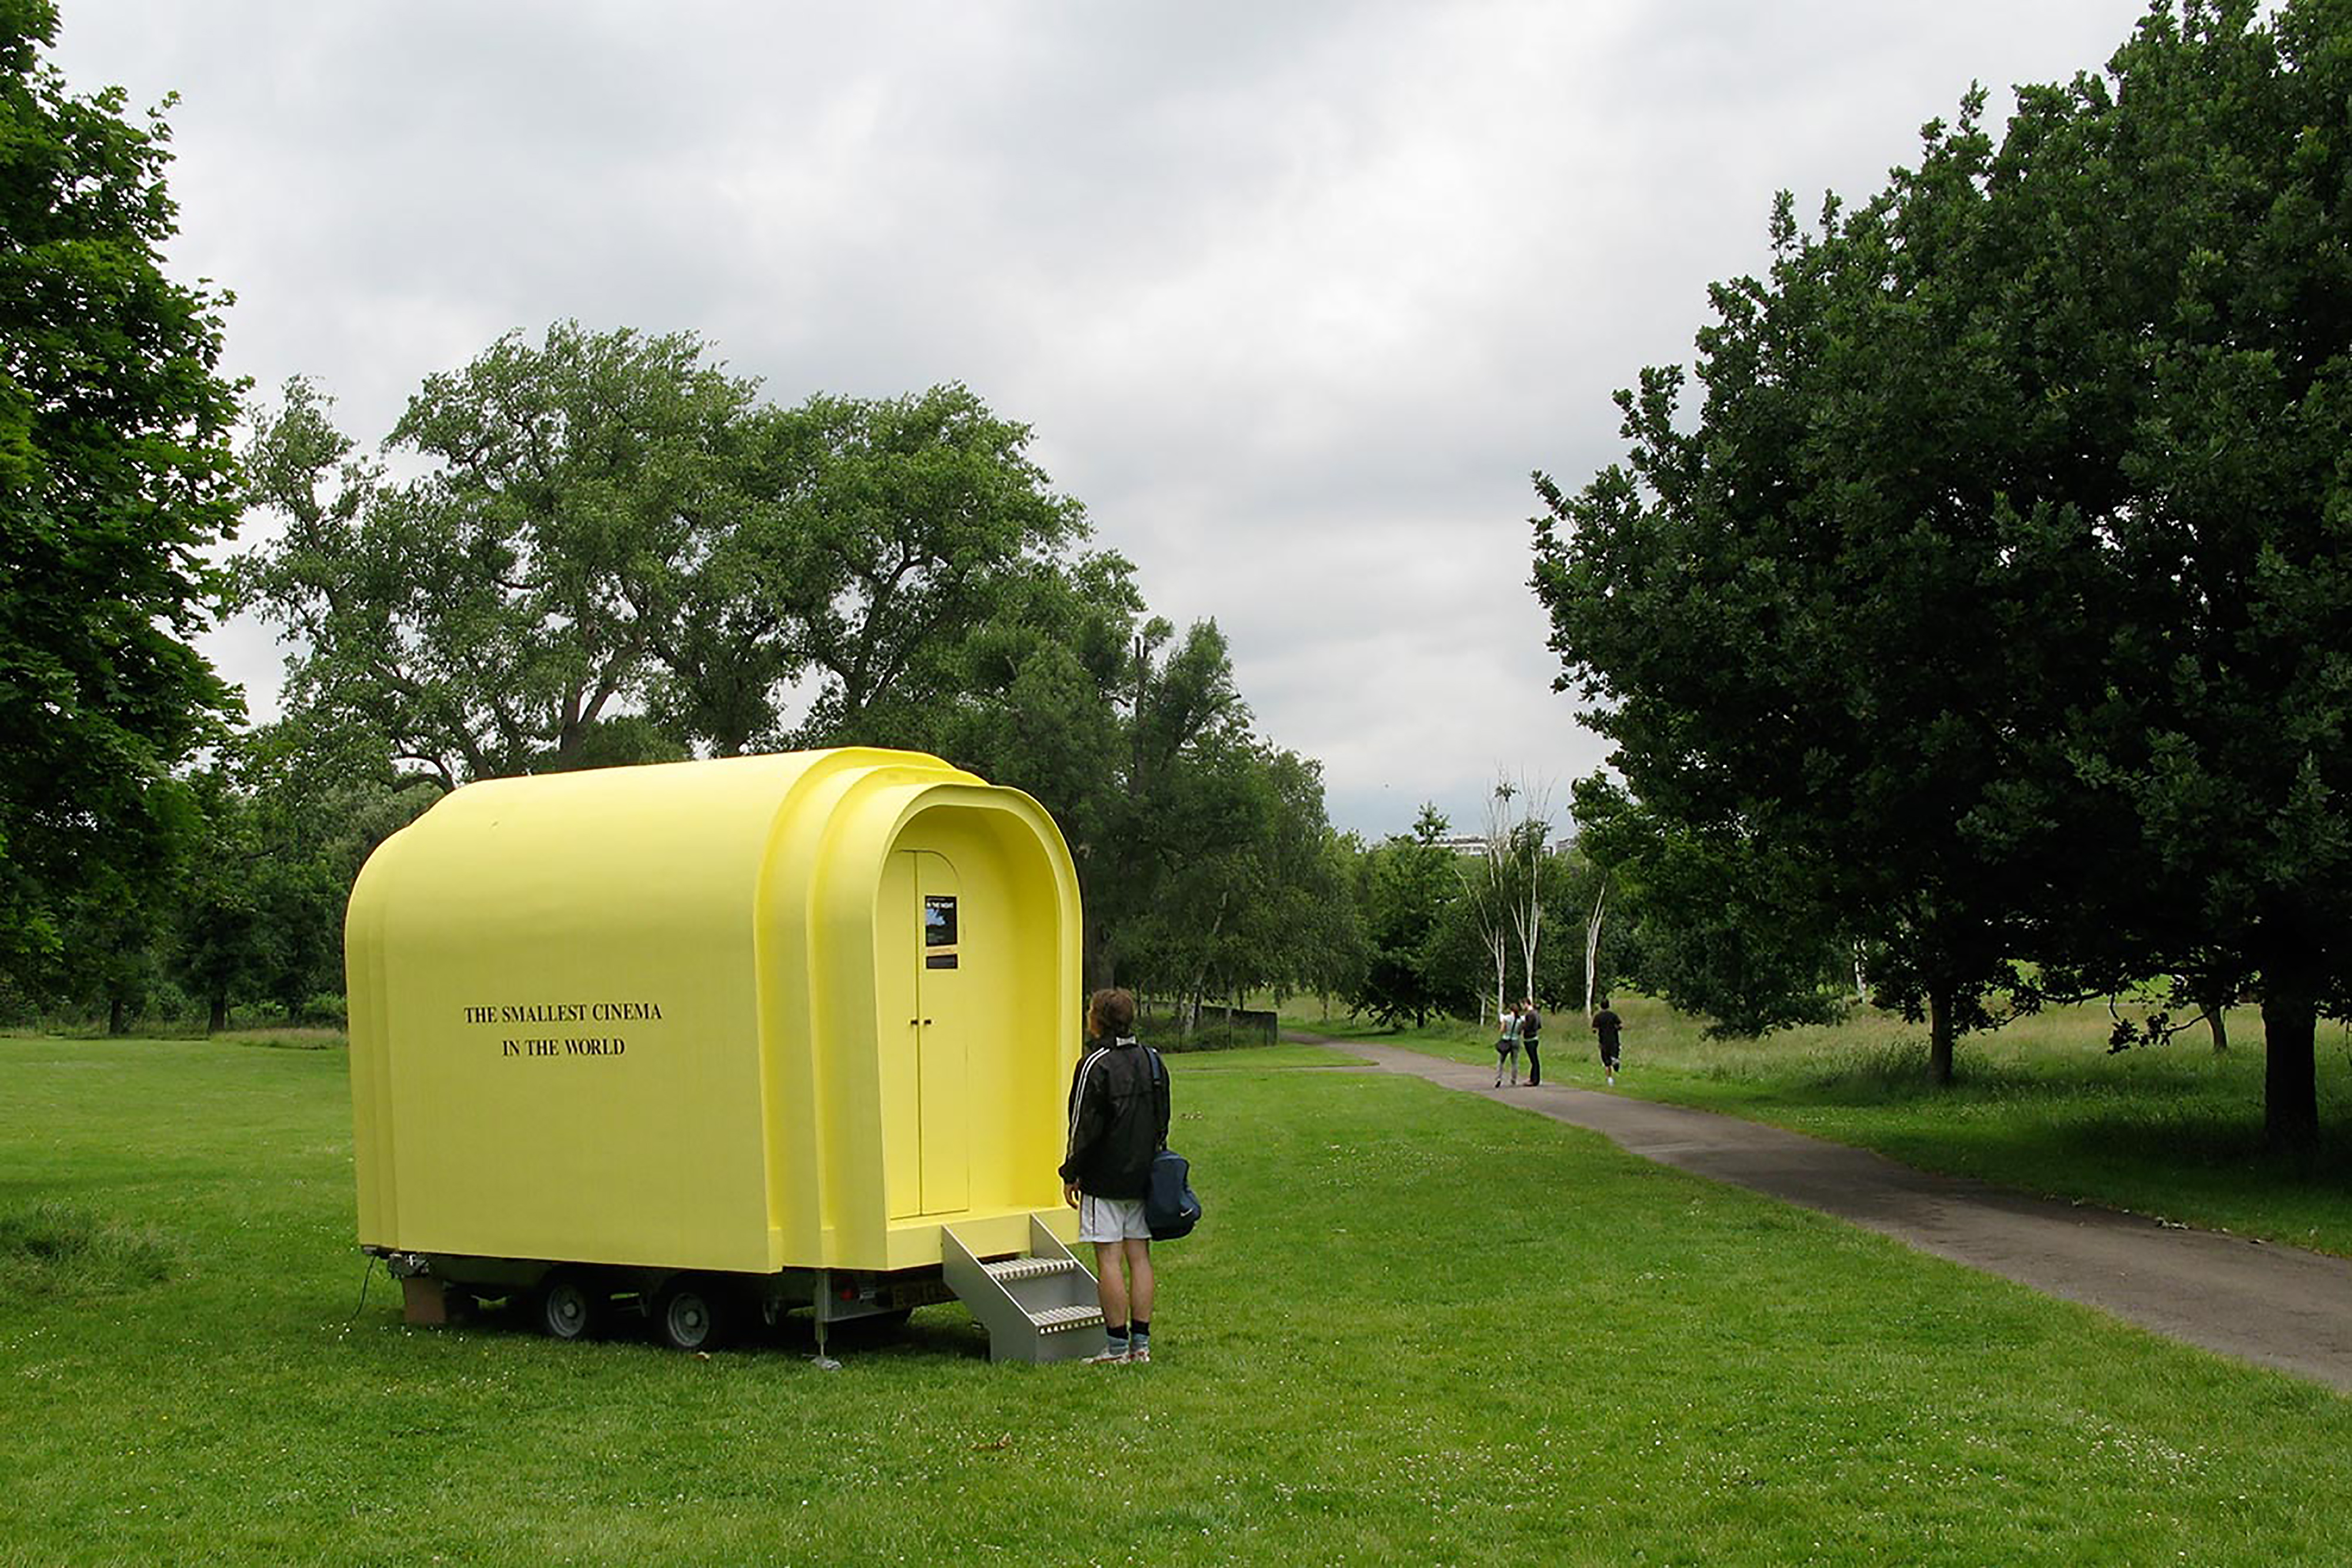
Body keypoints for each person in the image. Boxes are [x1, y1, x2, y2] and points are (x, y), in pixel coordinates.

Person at [1060, 987, 1170, 1365]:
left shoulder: (1095, 1063)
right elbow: (1162, 1118)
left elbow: (1082, 1126)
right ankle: (1142, 1346)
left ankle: (1117, 1348)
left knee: (1108, 1259)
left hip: (1104, 1180)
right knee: (1139, 1257)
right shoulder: (1153, 1060)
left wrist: (1071, 1171)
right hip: (1144, 1176)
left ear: (1097, 1020)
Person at [1592, 999, 1623, 1086]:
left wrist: (1597, 1031)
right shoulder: (1613, 1015)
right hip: (1614, 1039)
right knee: (1615, 1054)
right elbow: (1620, 1026)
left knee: (1606, 1062)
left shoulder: (1598, 1017)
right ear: (1609, 1006)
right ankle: (1615, 1060)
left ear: (1601, 1006)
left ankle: (1610, 1079)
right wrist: (1616, 1028)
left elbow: (1594, 1029)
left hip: (1603, 1041)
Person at [1493, 999, 1521, 1087]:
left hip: (1506, 1040)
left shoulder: (1506, 1018)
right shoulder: (1520, 1020)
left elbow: (1502, 1030)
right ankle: (1513, 1080)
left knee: (1501, 1061)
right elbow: (1520, 1032)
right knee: (1515, 1062)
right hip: (1516, 1040)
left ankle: (1499, 1078)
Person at [1519, 998, 1543, 1086]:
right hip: (1535, 1037)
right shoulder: (1536, 1013)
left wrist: (1522, 1024)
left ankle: (1534, 1080)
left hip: (1530, 1039)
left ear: (1526, 1004)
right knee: (1535, 1060)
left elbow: (1527, 1027)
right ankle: (1535, 1079)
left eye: (1523, 1005)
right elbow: (1539, 1025)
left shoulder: (1529, 1015)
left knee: (1534, 1060)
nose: (1522, 1007)